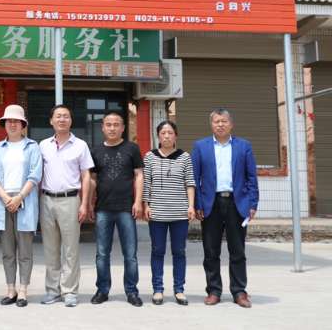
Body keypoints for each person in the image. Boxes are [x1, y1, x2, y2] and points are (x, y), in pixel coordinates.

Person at [191, 108, 259, 308]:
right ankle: (214, 291)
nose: (220, 125)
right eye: (216, 121)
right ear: (211, 124)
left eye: (224, 121)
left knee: (237, 250)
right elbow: (194, 178)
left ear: (231, 124)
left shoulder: (243, 146)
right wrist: (197, 204)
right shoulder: (200, 146)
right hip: (210, 203)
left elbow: (251, 177)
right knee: (211, 250)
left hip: (237, 203)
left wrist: (252, 203)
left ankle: (239, 291)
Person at [38, 105, 94, 307]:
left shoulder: (80, 145)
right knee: (50, 249)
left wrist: (84, 203)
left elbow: (86, 175)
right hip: (46, 200)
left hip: (70, 200)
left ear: (71, 120)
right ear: (51, 121)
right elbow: (37, 175)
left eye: (66, 116)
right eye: (58, 116)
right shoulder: (43, 145)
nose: (62, 119)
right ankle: (52, 291)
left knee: (71, 249)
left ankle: (69, 291)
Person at [0, 104, 42, 308]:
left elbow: (35, 175)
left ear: (23, 124)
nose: (12, 124)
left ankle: (23, 290)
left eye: (16, 121)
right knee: (8, 250)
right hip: (3, 201)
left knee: (25, 251)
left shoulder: (32, 147)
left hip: (25, 200)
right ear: (4, 124)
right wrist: (5, 197)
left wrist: (19, 197)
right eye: (9, 121)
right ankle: (11, 289)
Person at [89, 112, 144, 307]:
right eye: (108, 124)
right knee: (102, 254)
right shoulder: (95, 150)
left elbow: (139, 175)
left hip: (126, 208)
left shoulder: (132, 148)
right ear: (103, 127)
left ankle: (132, 291)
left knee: (130, 254)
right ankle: (102, 290)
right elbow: (92, 179)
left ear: (123, 128)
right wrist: (89, 203)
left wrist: (138, 202)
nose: (112, 128)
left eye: (116, 124)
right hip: (103, 208)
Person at [143, 120, 195, 306]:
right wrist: (146, 205)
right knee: (157, 251)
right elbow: (146, 182)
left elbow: (190, 183)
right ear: (158, 136)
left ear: (176, 136)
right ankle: (158, 289)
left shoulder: (185, 157)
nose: (166, 136)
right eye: (163, 133)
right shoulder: (149, 157)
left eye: (170, 133)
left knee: (179, 252)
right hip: (157, 212)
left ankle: (179, 290)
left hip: (179, 213)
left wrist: (191, 206)